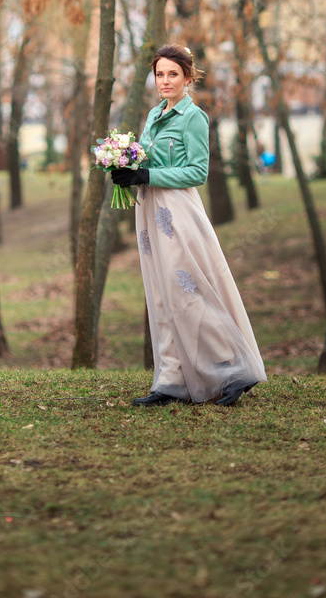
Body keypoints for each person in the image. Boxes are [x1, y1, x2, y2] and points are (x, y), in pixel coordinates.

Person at [112, 44, 267, 407]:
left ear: (187, 77)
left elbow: (197, 171)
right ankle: (172, 380)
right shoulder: (153, 114)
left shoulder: (193, 117)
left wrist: (148, 172)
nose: (165, 81)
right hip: (149, 211)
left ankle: (233, 368)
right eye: (160, 74)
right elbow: (147, 157)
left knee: (188, 293)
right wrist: (125, 168)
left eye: (173, 74)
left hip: (178, 212)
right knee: (162, 294)